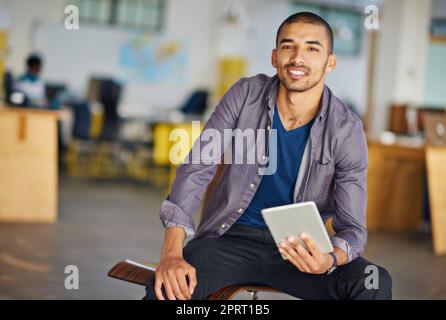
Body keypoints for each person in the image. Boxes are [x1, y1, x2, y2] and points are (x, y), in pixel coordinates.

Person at [144, 12, 392, 300]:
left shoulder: (346, 130)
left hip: (301, 250)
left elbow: (353, 229)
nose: (298, 57)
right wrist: (172, 253)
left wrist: (330, 259)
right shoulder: (244, 94)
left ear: (330, 62)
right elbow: (197, 167)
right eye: (289, 46)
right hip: (227, 240)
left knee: (373, 282)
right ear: (275, 57)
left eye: (312, 48)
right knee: (166, 289)